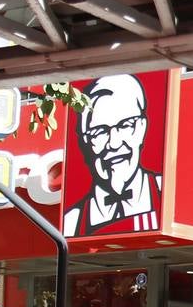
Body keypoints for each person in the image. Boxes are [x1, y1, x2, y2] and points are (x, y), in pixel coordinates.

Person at [63, 74, 162, 237]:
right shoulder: (70, 223)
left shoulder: (167, 196)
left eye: (125, 125)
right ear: (86, 140)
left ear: (141, 128)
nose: (114, 143)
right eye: (100, 131)